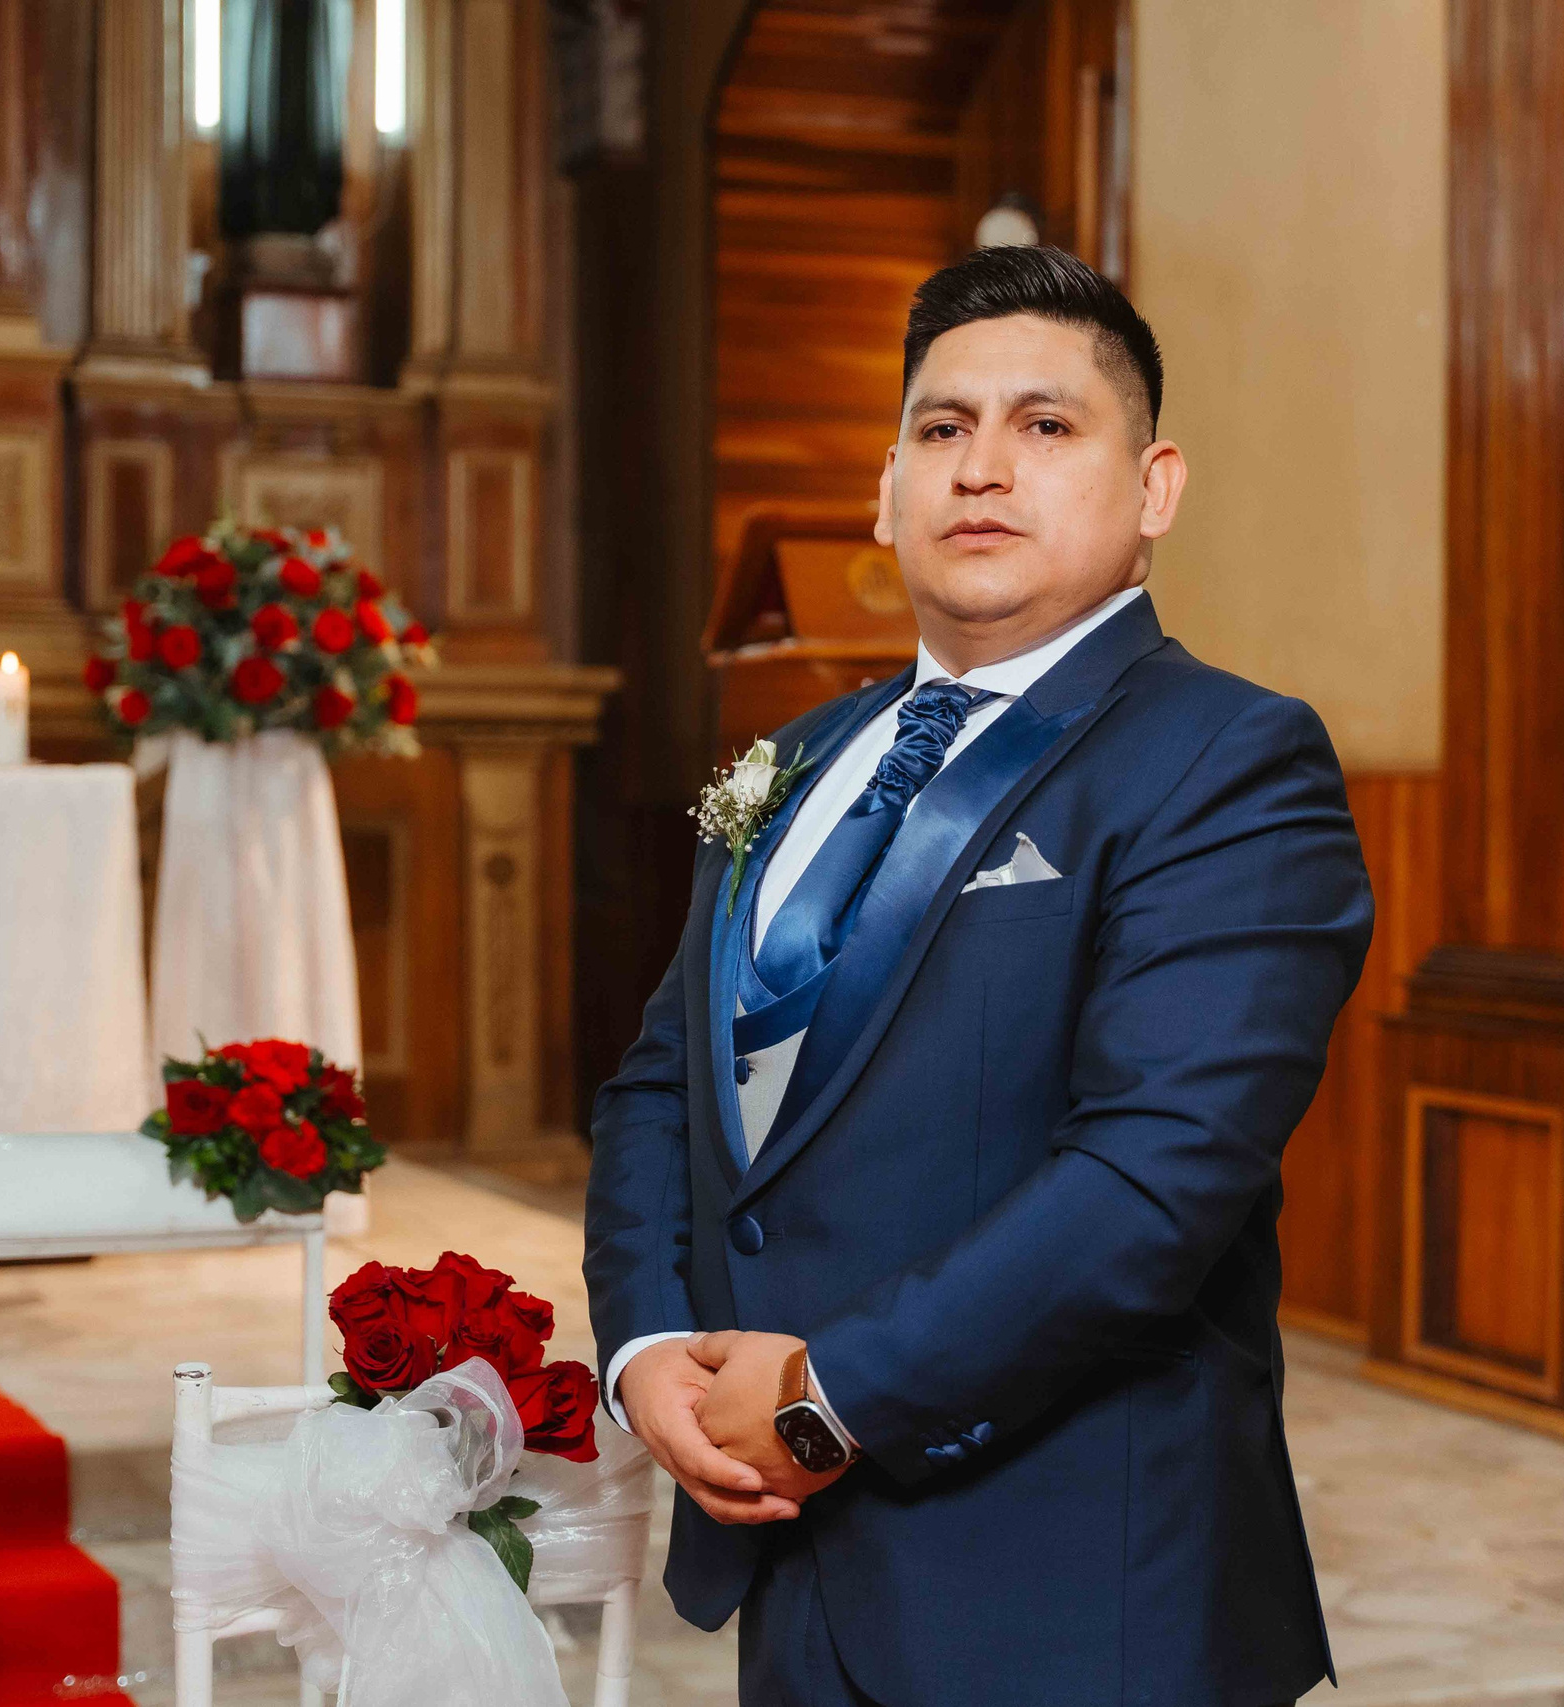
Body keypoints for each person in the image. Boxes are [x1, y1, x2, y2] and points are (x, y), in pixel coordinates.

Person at [586, 245, 1375, 1707]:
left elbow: (1151, 1184)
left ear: (1154, 490)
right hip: (791, 1565)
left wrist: (825, 1397)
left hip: (1069, 1587)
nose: (982, 469)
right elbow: (657, 1085)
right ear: (887, 488)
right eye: (942, 430)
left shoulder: (1229, 760)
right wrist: (643, 1345)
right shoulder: (788, 759)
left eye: (1047, 425)